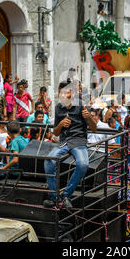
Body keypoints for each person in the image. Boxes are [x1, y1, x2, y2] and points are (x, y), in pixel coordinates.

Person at [43, 81, 97, 209]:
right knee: (48, 161)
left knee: (83, 164)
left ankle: (66, 194)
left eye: (65, 93)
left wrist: (89, 117)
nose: (61, 95)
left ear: (72, 94)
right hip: (64, 142)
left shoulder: (82, 106)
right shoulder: (58, 108)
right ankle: (54, 197)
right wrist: (61, 124)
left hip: (78, 142)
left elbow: (94, 128)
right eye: (60, 92)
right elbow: (55, 132)